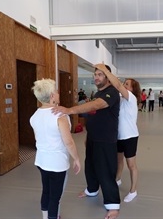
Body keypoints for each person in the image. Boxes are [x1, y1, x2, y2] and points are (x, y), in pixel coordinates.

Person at [52, 64, 120, 219]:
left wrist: (70, 110)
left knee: (106, 172)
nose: (96, 77)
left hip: (106, 140)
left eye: (100, 75)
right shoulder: (98, 93)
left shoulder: (112, 92)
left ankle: (113, 205)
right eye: (95, 75)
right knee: (90, 167)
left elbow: (98, 105)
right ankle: (92, 189)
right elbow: (94, 112)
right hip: (93, 138)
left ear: (108, 77)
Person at [29, 78, 81, 219]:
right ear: (52, 96)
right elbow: (68, 142)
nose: (58, 93)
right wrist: (76, 159)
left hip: (41, 161)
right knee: (55, 198)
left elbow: (37, 139)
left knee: (46, 191)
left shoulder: (34, 116)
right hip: (57, 164)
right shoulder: (60, 116)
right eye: (56, 91)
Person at [95, 64, 141, 202]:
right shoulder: (119, 99)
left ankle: (133, 190)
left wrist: (104, 70)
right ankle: (118, 179)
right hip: (118, 136)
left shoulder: (131, 98)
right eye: (124, 83)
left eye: (127, 84)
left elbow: (117, 85)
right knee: (118, 161)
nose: (124, 85)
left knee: (131, 164)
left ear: (132, 89)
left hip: (130, 137)